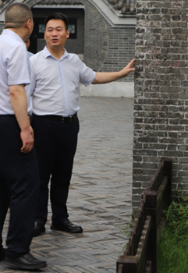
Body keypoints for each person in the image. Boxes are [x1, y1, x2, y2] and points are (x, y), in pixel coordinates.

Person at [30, 13, 135, 237]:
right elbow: (25, 95)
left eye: (59, 29)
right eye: (50, 29)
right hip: (43, 125)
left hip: (69, 126)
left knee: (63, 174)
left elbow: (93, 77)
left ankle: (60, 218)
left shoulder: (74, 61)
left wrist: (122, 73)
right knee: (40, 176)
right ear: (44, 33)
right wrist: (26, 126)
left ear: (67, 33)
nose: (54, 33)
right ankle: (38, 219)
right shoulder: (34, 62)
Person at [0, 3, 46, 271]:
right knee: (26, 185)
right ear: (29, 24)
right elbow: (16, 91)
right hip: (8, 124)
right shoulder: (17, 48)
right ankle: (17, 250)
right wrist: (25, 128)